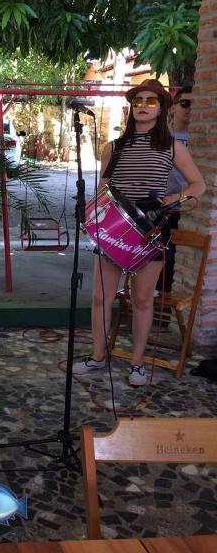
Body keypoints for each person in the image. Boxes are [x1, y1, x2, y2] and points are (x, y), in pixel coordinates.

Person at [74, 79, 205, 386]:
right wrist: (93, 213)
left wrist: (176, 199)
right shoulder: (113, 147)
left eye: (151, 101)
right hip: (115, 227)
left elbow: (198, 184)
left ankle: (137, 364)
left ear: (162, 109)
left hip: (152, 228)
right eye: (138, 101)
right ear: (131, 108)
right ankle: (98, 356)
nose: (143, 106)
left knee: (143, 299)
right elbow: (104, 188)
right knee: (100, 297)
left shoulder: (173, 147)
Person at [156, 85, 193, 292]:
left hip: (190, 207)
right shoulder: (163, 138)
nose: (190, 108)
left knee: (181, 254)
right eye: (185, 103)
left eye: (195, 104)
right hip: (165, 205)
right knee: (163, 255)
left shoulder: (201, 140)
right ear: (173, 107)